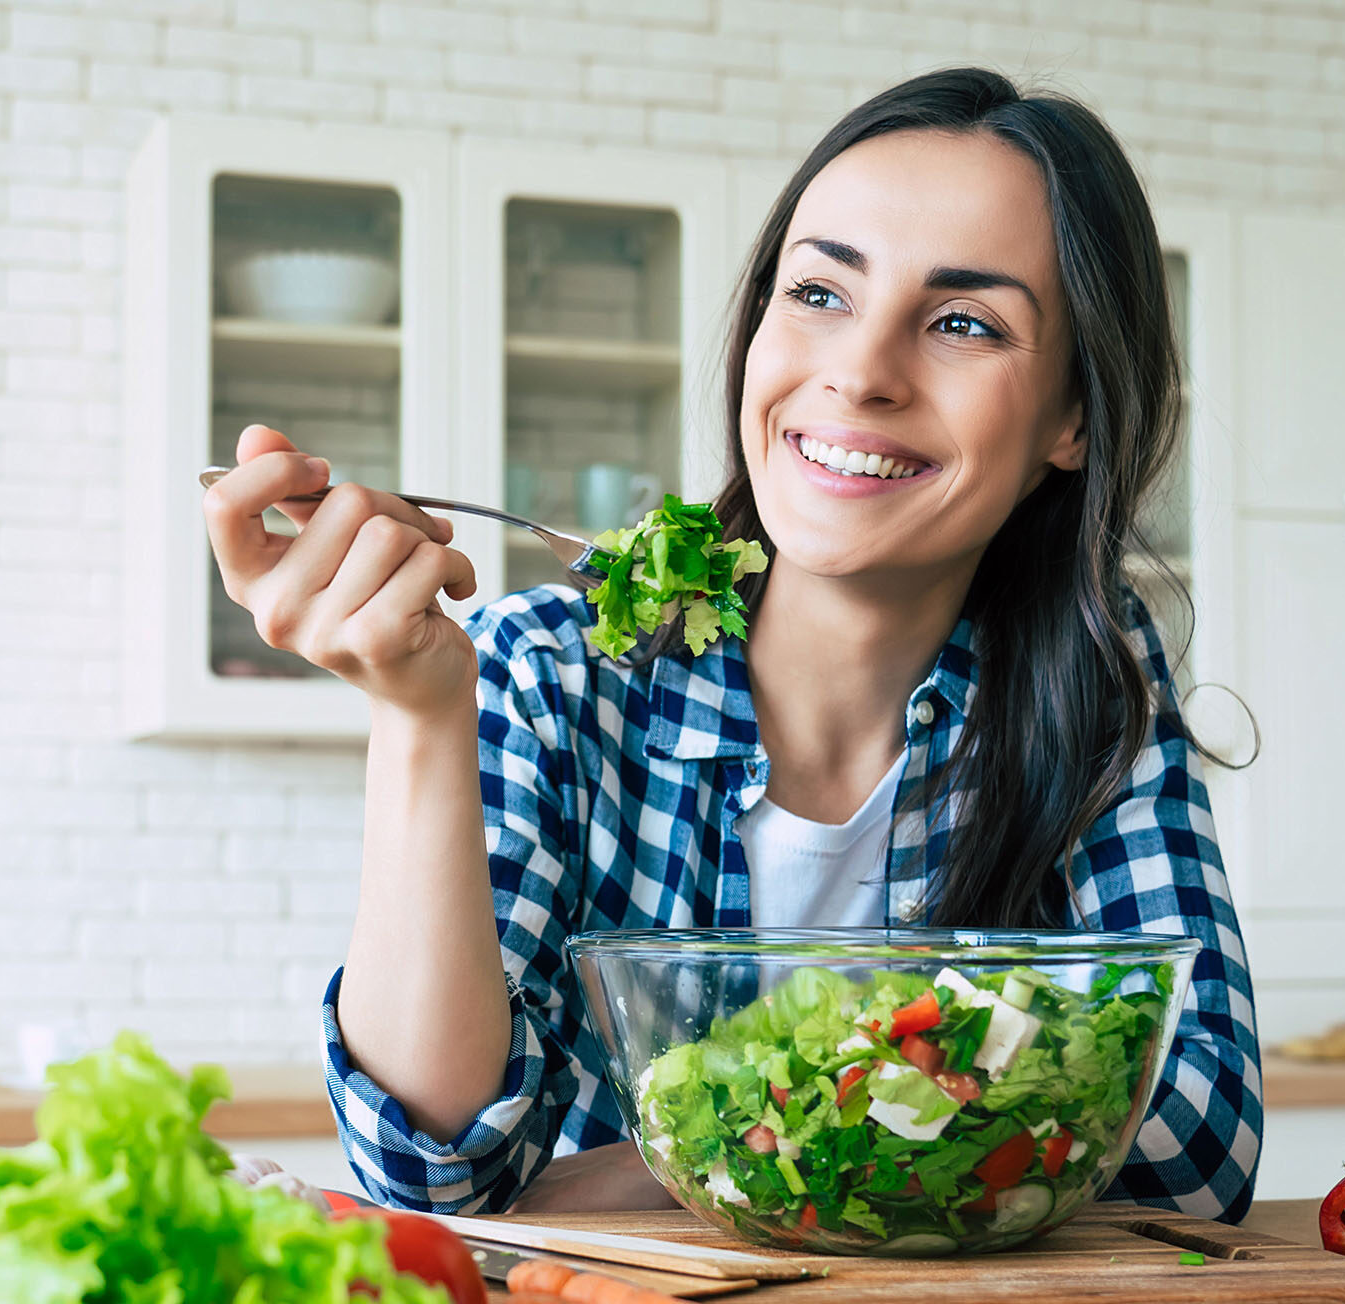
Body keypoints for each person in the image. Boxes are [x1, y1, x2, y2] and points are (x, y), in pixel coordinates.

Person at [200, 66, 1262, 1223]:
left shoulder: (1094, 681)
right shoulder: (550, 670)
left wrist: (672, 1159)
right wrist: (415, 714)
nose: (859, 371)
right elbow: (436, 1169)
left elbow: (1195, 1139)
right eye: (818, 293)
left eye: (963, 322)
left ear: (1072, 417)